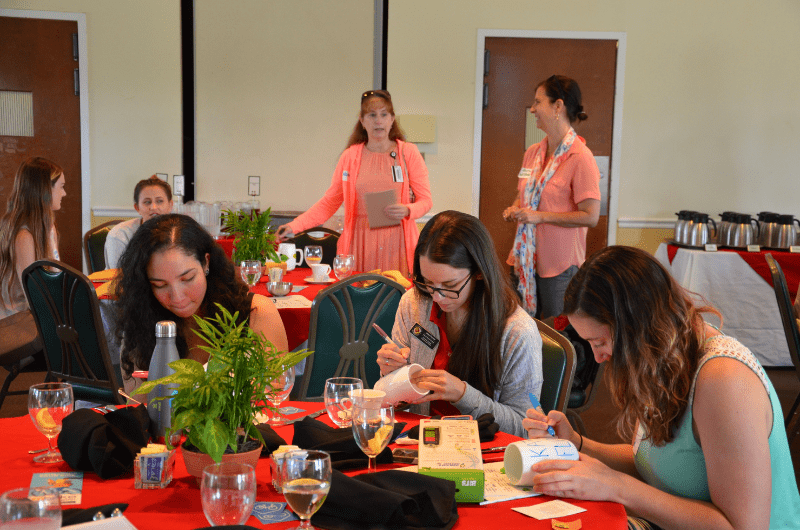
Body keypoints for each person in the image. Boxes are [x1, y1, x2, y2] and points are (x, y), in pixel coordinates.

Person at [523, 246, 800, 530]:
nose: (598, 358)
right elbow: (656, 466)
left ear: (637, 326)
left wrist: (617, 487)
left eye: (600, 342)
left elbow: (743, 527)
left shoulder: (724, 380)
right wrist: (577, 444)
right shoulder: (665, 358)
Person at [376, 211, 542, 437]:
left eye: (449, 284)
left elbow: (525, 427)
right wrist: (392, 376)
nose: (437, 297)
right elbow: (394, 404)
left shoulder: (516, 331)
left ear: (479, 273)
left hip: (483, 453)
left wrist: (463, 395)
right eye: (427, 282)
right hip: (417, 441)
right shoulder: (414, 304)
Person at [114, 214, 288, 396]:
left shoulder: (255, 313)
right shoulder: (140, 319)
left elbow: (277, 399)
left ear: (206, 262)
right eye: (160, 285)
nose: (177, 297)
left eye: (187, 279)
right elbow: (138, 405)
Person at [276, 90, 432, 276]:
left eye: (384, 115)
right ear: (362, 120)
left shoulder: (408, 153)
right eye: (372, 115)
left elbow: (426, 201)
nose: (378, 121)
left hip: (398, 244)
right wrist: (294, 226)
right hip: (358, 245)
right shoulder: (350, 156)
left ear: (392, 119)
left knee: (396, 300)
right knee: (358, 301)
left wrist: (408, 210)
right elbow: (329, 203)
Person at [503, 75, 601, 319]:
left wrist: (539, 217)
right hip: (524, 261)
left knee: (558, 336)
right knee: (521, 327)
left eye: (538, 102)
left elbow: (591, 216)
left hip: (559, 267)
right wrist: (514, 209)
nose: (533, 109)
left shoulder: (581, 157)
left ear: (558, 106)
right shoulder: (533, 153)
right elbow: (523, 196)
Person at [0, 157, 66, 319]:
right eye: (61, 187)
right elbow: (34, 294)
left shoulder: (47, 226)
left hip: (32, 315)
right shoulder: (23, 236)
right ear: (44, 190)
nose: (64, 193)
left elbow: (54, 275)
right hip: (16, 322)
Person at [104, 175, 173, 269]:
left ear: (170, 205)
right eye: (147, 202)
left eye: (159, 201)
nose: (153, 207)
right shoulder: (119, 235)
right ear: (137, 208)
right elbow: (118, 276)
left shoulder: (178, 232)